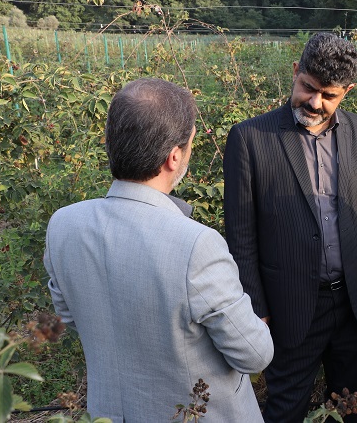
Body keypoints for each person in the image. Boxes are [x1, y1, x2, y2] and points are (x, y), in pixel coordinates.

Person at [44, 78, 273, 422]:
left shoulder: (63, 225)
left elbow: (69, 316)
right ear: (174, 156)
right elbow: (254, 355)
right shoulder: (197, 245)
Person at [223, 32, 357, 422]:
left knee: (349, 408)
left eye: (329, 94)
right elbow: (240, 235)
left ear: (347, 92)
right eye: (308, 87)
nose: (315, 102)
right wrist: (257, 309)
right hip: (289, 307)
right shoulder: (250, 139)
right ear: (295, 72)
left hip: (355, 303)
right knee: (285, 408)